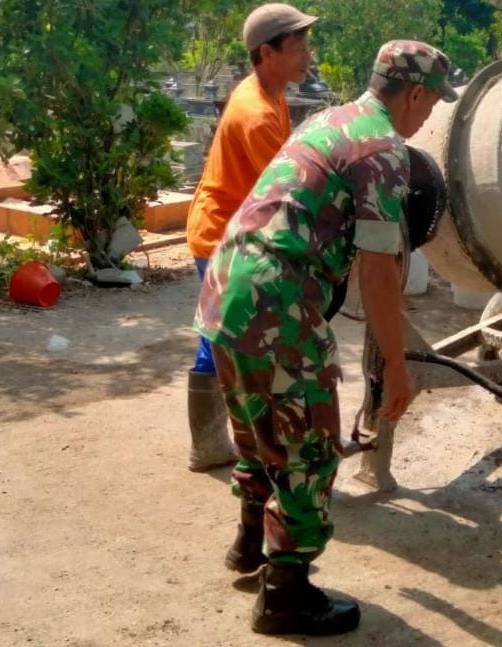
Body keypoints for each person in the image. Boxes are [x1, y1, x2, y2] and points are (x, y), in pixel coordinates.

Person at [195, 40, 457, 635]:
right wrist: (396, 365)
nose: (430, 116)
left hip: (225, 288)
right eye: (432, 103)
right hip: (276, 307)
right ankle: (285, 594)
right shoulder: (385, 149)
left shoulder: (329, 119)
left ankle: (247, 544)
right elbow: (378, 270)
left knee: (258, 424)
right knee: (310, 451)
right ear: (414, 93)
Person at [185, 3, 317, 472]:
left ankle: (217, 443)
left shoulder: (271, 91)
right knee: (226, 340)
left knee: (223, 338)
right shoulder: (256, 113)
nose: (308, 56)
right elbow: (283, 193)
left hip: (230, 225)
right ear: (267, 52)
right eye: (298, 47)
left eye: (307, 45)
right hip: (222, 233)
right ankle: (211, 445)